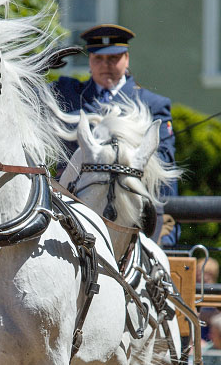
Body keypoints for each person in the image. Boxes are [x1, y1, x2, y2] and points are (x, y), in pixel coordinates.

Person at [51, 23, 178, 243]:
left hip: (129, 213)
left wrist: (164, 232)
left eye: (113, 59)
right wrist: (42, 63)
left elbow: (163, 164)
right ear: (89, 61)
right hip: (71, 211)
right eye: (98, 59)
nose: (105, 65)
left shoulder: (151, 104)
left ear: (126, 59)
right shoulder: (67, 94)